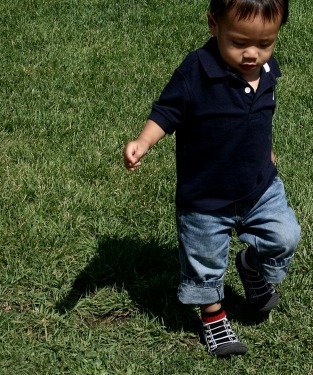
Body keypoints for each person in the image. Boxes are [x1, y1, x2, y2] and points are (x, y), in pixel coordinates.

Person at [123, 0, 300, 357]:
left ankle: (252, 266)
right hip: (205, 197)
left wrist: (264, 150)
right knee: (205, 264)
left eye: (265, 44)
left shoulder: (266, 71)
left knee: (285, 236)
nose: (252, 54)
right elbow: (167, 111)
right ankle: (214, 318)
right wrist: (143, 141)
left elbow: (260, 116)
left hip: (259, 186)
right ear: (213, 24)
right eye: (239, 43)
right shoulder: (196, 71)